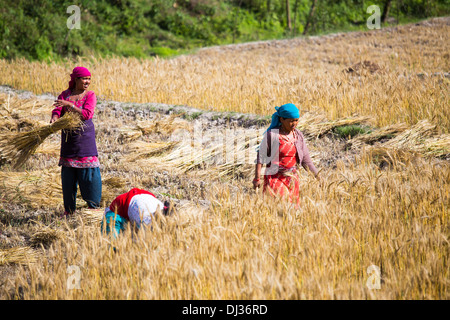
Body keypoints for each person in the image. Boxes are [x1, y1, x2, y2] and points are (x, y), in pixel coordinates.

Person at [50, 66, 102, 216]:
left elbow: (87, 114)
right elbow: (57, 109)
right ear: (76, 80)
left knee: (89, 174)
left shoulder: (90, 95)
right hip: (69, 140)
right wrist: (55, 117)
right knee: (68, 177)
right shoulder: (65, 94)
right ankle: (69, 210)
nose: (87, 82)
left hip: (85, 140)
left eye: (89, 79)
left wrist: (69, 105)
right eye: (84, 79)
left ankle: (93, 208)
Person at [253, 103, 320, 205]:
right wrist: (257, 178)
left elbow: (307, 161)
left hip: (292, 179)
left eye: (296, 120)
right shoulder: (273, 135)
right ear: (281, 120)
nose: (294, 123)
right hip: (275, 178)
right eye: (291, 121)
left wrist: (318, 177)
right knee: (280, 207)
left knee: (293, 210)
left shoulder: (298, 136)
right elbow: (261, 158)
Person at [101, 188, 173, 238]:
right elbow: (145, 241)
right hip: (119, 209)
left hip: (141, 199)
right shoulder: (146, 218)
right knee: (111, 242)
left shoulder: (165, 211)